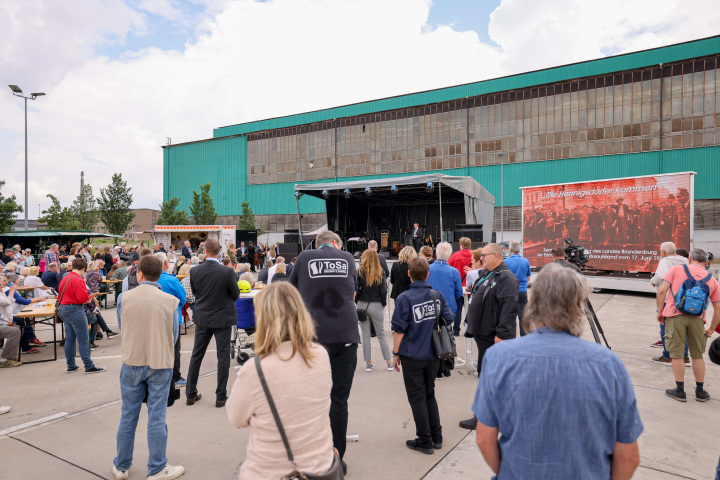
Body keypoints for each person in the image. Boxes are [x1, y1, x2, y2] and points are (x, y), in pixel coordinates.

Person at [473, 263, 643, 478]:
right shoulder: (609, 364)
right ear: (578, 305)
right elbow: (629, 456)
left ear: (533, 302)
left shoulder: (499, 358)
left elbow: (484, 438)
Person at [226, 282, 336, 479]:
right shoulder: (320, 356)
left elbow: (236, 418)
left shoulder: (255, 370)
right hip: (319, 467)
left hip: (269, 471)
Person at [289, 230, 359, 469]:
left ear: (318, 244)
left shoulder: (303, 257)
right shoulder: (348, 258)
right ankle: (336, 460)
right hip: (345, 335)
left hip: (313, 336)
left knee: (310, 398)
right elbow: (352, 291)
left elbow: (291, 293)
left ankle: (311, 456)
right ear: (335, 244)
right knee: (338, 400)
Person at [112, 255, 185, 480]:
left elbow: (123, 326)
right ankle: (156, 467)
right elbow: (173, 335)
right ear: (160, 273)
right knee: (157, 416)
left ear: (139, 274)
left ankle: (122, 465)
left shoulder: (124, 298)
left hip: (132, 360)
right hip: (160, 362)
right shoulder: (169, 300)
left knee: (128, 415)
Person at [392, 257, 454, 455]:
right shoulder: (437, 295)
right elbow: (449, 319)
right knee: (429, 394)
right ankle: (437, 436)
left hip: (412, 355)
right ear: (427, 274)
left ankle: (425, 440)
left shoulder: (404, 298)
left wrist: (395, 354)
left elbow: (399, 330)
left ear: (409, 274)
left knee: (417, 397)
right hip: (434, 355)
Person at [460, 243, 519, 430]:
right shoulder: (488, 274)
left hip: (495, 337)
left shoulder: (506, 278)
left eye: (484, 255)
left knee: (490, 378)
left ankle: (484, 417)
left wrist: (501, 334)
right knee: (487, 377)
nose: (481, 258)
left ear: (496, 255)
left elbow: (508, 310)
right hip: (483, 335)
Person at [656, 247, 720, 402]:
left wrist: (660, 311)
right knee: (697, 356)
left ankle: (679, 391)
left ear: (690, 258)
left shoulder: (676, 269)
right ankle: (700, 391)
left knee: (677, 355)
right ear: (706, 262)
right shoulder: (712, 280)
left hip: (675, 316)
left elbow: (662, 291)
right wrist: (711, 328)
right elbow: (718, 309)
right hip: (698, 319)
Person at [186, 239, 240, 408]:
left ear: (206, 251)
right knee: (222, 356)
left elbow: (196, 293)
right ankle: (221, 396)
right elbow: (235, 294)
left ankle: (190, 393)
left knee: (197, 355)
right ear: (218, 252)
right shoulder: (227, 271)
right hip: (222, 316)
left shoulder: (195, 271)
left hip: (203, 316)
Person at [58, 258, 105, 374]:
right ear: (84, 268)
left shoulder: (65, 278)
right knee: (83, 339)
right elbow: (83, 298)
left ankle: (71, 365)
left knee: (70, 338)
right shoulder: (78, 280)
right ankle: (89, 365)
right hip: (75, 309)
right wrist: (89, 298)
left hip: (63, 308)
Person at [155, 253, 188, 388]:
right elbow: (183, 298)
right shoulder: (171, 280)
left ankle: (158, 375)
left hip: (154, 320)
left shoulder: (149, 279)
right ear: (166, 264)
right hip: (172, 320)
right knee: (174, 349)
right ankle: (175, 377)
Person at [356, 249, 391, 372]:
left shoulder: (360, 272)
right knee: (381, 334)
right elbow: (383, 290)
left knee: (365, 335)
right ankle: (388, 362)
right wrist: (383, 303)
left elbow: (357, 289)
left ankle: (368, 364)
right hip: (376, 304)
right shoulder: (380, 272)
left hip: (362, 304)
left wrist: (358, 302)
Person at [427, 242, 462, 339]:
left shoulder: (427, 269)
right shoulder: (454, 271)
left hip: (429, 307)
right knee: (446, 338)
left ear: (436, 254)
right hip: (448, 309)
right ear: (450, 255)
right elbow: (459, 293)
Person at [504, 240, 531, 336]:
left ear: (510, 249)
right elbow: (528, 278)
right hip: (522, 291)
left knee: (510, 317)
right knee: (523, 316)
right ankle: (523, 338)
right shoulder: (525, 261)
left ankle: (512, 337)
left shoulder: (505, 262)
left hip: (510, 292)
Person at [448, 237, 473, 336]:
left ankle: (456, 329)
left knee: (458, 308)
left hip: (458, 286)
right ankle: (469, 328)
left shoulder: (455, 255)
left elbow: (448, 267)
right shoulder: (474, 255)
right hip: (471, 286)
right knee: (471, 308)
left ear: (461, 245)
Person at [0, 274, 22, 367]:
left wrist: (6, 321)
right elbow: (7, 302)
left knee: (18, 327)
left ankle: (10, 356)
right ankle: (5, 359)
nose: (4, 285)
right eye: (1, 283)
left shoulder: (2, 292)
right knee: (15, 331)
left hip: (3, 321)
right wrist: (12, 290)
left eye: (3, 282)